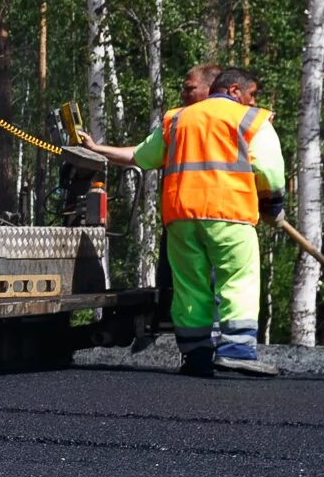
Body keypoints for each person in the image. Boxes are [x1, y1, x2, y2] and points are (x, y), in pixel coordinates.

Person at [88, 62, 284, 377]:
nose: (252, 101)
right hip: (229, 215)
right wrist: (273, 205)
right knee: (239, 280)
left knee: (190, 287)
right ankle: (236, 351)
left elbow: (141, 157)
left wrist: (98, 149)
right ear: (234, 90)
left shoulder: (177, 119)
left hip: (180, 218)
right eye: (251, 94)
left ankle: (196, 356)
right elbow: (270, 170)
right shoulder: (252, 119)